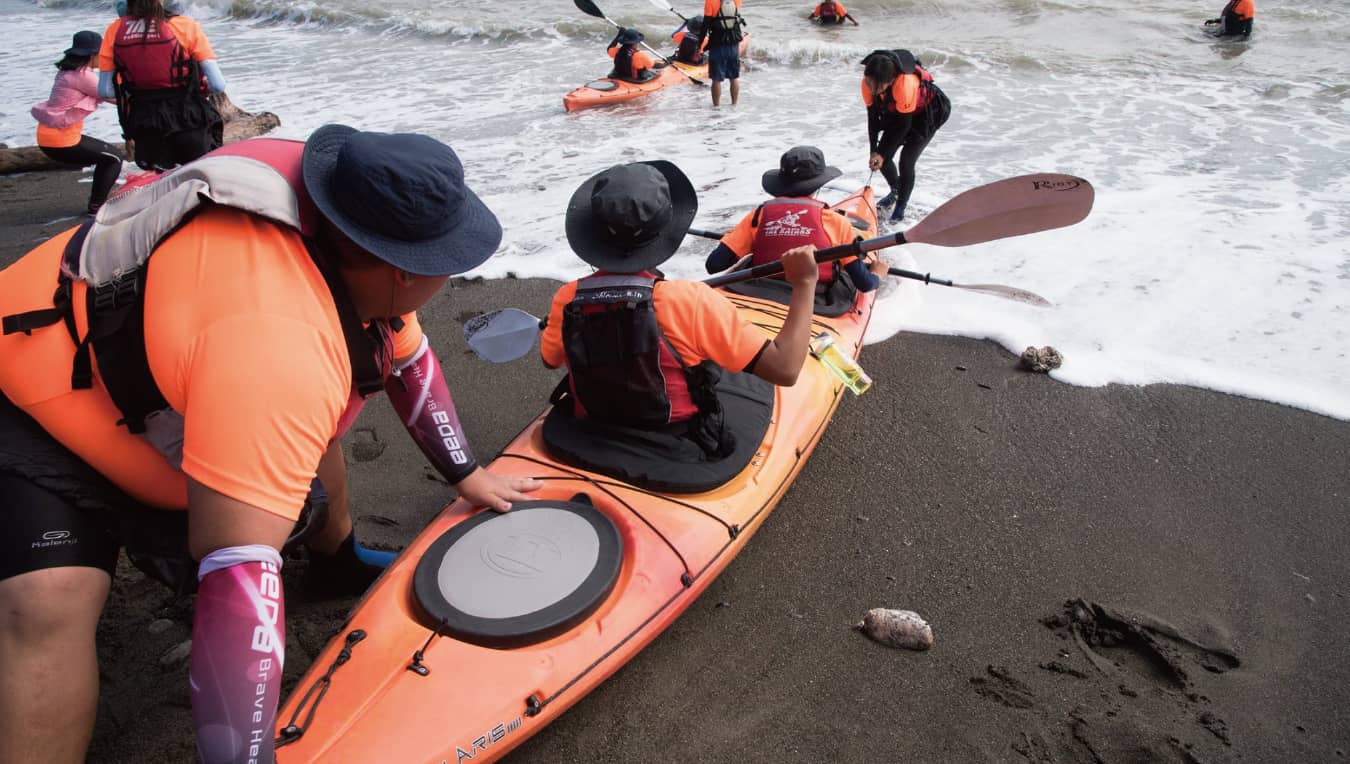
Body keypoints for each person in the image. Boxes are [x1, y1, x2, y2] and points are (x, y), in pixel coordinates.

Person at [0, 125, 540, 764]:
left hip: (177, 359)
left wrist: (467, 474)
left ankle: (335, 561)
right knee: (45, 603)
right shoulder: (280, 348)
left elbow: (407, 358)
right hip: (34, 388)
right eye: (446, 261)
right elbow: (237, 573)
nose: (449, 272)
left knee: (315, 424)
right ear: (400, 269)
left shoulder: (345, 215)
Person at [540, 161, 820, 447]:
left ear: (593, 232)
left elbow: (550, 360)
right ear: (664, 229)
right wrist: (804, 283)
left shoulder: (568, 297)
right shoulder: (690, 300)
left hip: (595, 427)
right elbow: (784, 369)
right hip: (674, 439)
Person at [705, 145, 886, 295]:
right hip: (814, 298)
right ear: (819, 183)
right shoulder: (836, 222)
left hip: (759, 290)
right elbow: (864, 284)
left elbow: (714, 265)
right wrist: (876, 274)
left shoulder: (759, 215)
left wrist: (749, 240)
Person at [97, 0, 227, 171]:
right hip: (187, 116)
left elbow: (105, 91)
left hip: (144, 120)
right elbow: (217, 85)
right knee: (198, 172)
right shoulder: (185, 25)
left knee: (161, 176)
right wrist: (199, 86)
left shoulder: (115, 29)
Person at [30, 31, 123, 215]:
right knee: (113, 159)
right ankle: (96, 208)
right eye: (101, 54)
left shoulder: (68, 71)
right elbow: (114, 97)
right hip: (60, 141)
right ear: (92, 55)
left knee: (109, 156)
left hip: (51, 135)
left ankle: (96, 204)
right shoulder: (82, 76)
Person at [861, 48, 951, 223]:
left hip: (927, 113)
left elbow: (904, 126)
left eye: (878, 87)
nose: (873, 90)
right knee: (884, 158)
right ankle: (896, 190)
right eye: (870, 84)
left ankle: (901, 206)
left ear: (891, 80)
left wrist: (882, 153)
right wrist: (874, 151)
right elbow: (872, 119)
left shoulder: (904, 84)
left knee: (906, 161)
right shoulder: (868, 83)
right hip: (899, 112)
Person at [701, 0, 746, 106]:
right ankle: (734, 105)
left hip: (717, 44)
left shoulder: (710, 1)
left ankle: (716, 107)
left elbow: (705, 25)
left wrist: (699, 45)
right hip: (733, 43)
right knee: (733, 77)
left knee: (716, 79)